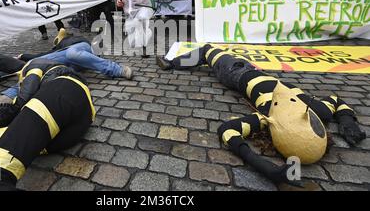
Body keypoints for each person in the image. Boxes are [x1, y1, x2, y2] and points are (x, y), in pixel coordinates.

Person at [156, 46, 365, 184]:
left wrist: (265, 168)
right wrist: (348, 122)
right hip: (253, 70)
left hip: (237, 73)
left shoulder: (269, 115)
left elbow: (227, 131)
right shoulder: (316, 110)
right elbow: (336, 100)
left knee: (208, 49)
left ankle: (172, 63)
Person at [0, 64, 94, 190]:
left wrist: (0, 120)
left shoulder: (33, 66)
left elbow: (26, 95)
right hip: (74, 125)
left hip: (63, 92)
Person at [0, 29, 133, 113]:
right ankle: (5, 98)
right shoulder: (56, 49)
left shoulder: (72, 39)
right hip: (67, 64)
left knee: (72, 53)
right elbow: (42, 55)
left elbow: (64, 35)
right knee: (35, 67)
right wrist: (24, 56)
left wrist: (63, 37)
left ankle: (116, 69)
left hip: (80, 50)